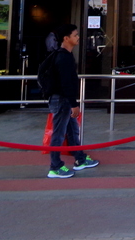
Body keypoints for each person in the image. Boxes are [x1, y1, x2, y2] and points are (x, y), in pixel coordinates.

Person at [47, 24, 99, 178]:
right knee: (59, 132)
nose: (78, 37)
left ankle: (79, 158)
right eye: (75, 35)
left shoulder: (64, 55)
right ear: (66, 38)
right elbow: (65, 83)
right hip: (62, 100)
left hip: (64, 99)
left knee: (72, 130)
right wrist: (73, 104)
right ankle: (55, 167)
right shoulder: (63, 57)